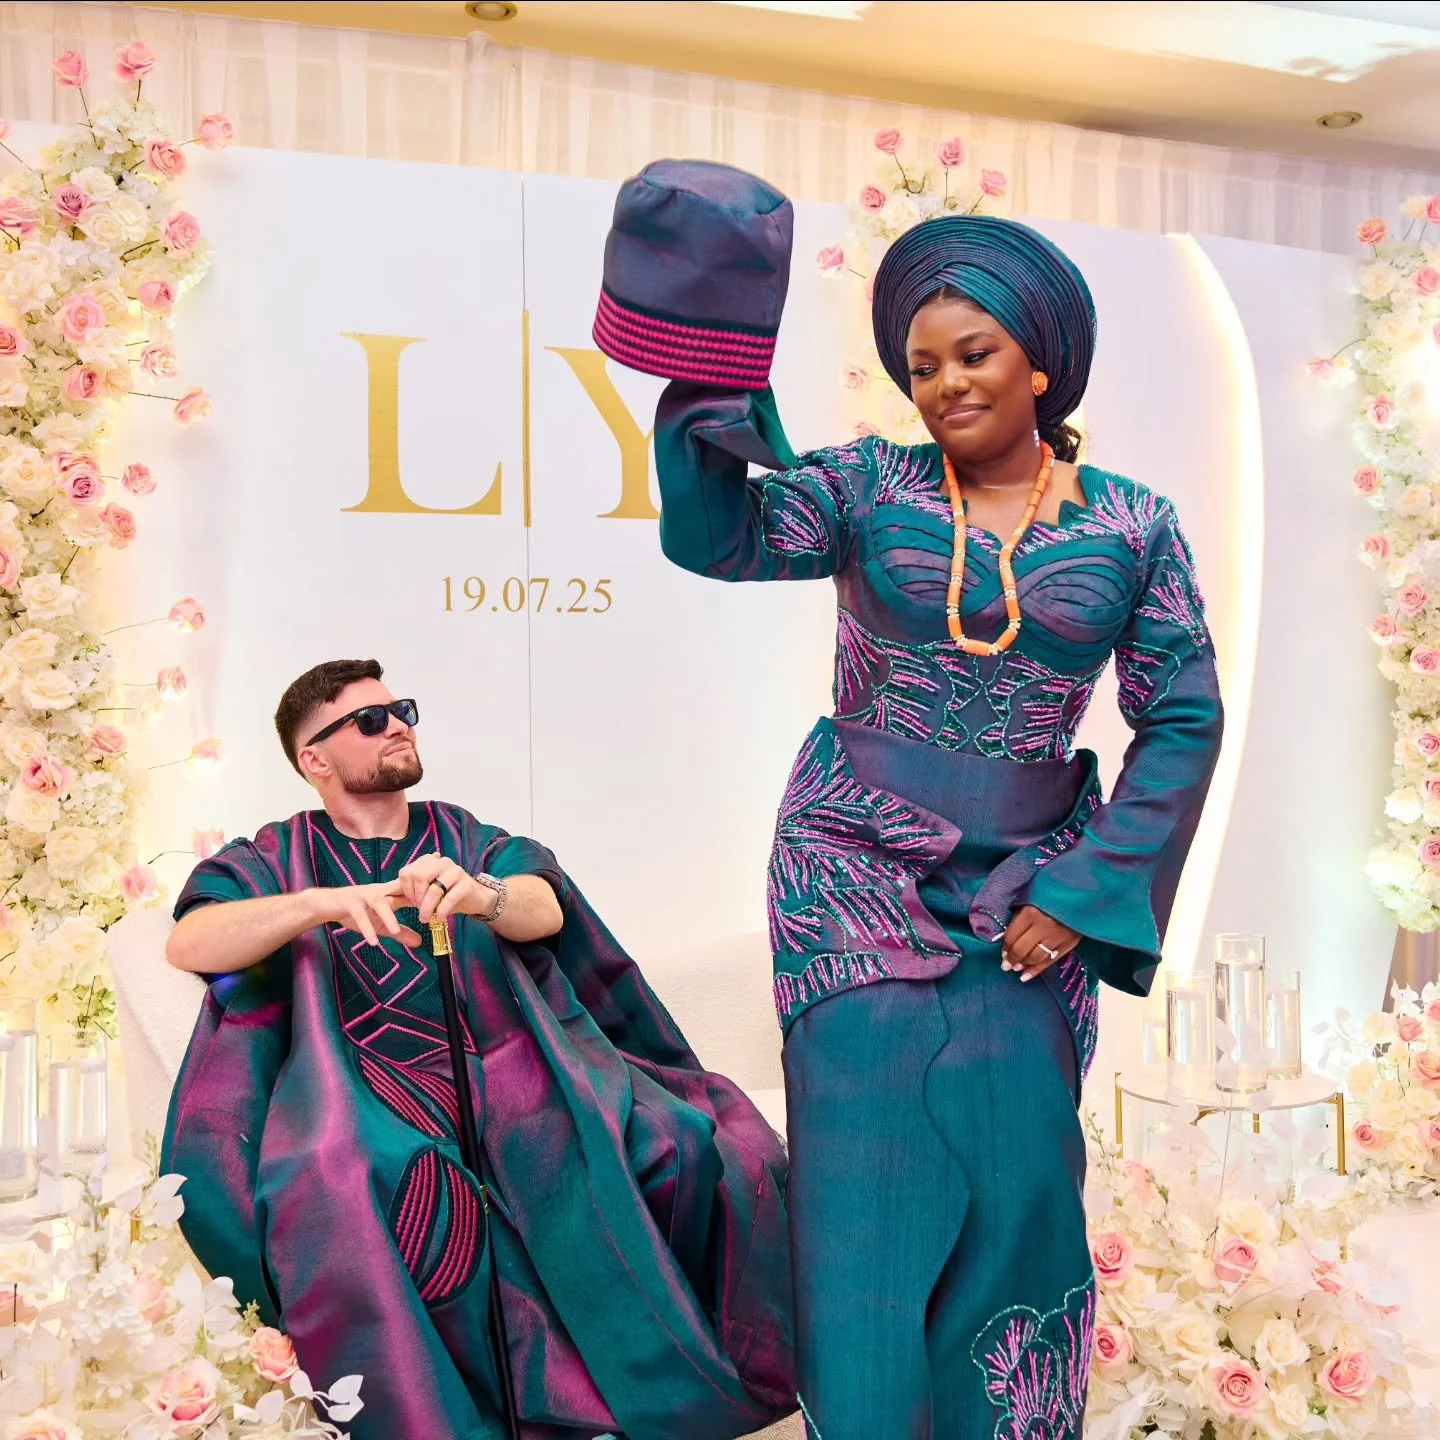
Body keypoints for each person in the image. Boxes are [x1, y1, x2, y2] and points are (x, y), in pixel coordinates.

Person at [593, 163, 1223, 1438]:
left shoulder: (1136, 524)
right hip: (851, 864)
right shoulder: (868, 487)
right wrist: (704, 376)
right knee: (864, 1182)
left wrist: (1082, 888)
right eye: (922, 366)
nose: (945, 386)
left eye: (973, 353)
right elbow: (721, 538)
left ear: (1040, 361)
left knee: (1021, 1169)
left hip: (1031, 884)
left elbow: (1184, 717)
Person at [161, 658, 796, 1440]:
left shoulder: (461, 835)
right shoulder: (274, 856)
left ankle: (642, 1392)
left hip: (511, 1065)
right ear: (313, 760)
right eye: (369, 719)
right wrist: (318, 905)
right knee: (354, 1176)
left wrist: (481, 894)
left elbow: (544, 905)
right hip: (358, 1083)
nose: (397, 724)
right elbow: (192, 940)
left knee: (690, 1145)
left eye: (401, 710)